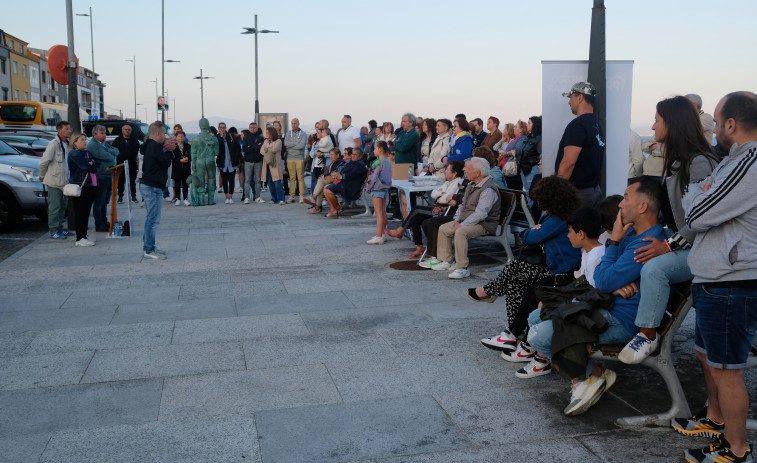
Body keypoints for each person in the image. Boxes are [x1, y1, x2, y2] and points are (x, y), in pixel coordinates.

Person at [526, 178, 667, 416]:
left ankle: (586, 378)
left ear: (642, 207)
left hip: (621, 320)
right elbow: (605, 279)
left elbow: (603, 279)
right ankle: (594, 372)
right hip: (607, 306)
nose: (620, 205)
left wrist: (613, 243)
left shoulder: (642, 243)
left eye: (626, 198)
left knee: (538, 336)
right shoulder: (632, 236)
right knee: (534, 317)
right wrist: (612, 281)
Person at [676, 91, 757, 463]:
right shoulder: (734, 161)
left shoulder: (747, 162)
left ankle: (736, 449)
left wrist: (702, 196)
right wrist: (703, 196)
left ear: (730, 124)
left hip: (731, 281)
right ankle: (717, 420)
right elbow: (702, 204)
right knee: (709, 357)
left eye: (717, 120)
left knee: (727, 371)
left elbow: (694, 214)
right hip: (718, 277)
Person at [616, 96, 718, 365]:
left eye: (657, 120)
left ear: (672, 124)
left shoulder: (698, 162)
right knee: (637, 253)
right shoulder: (677, 159)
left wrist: (669, 245)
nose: (652, 127)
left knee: (655, 268)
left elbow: (704, 216)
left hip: (703, 248)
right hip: (685, 242)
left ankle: (647, 334)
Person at [475, 176, 581, 356]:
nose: (539, 203)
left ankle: (509, 327)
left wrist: (528, 231)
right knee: (515, 280)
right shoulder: (559, 215)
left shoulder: (558, 219)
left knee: (518, 275)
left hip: (560, 271)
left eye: (541, 199)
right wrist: (532, 231)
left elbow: (532, 238)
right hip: (554, 267)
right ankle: (513, 334)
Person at [432, 157, 501, 279]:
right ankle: (446, 261)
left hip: (485, 224)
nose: (464, 169)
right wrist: (457, 220)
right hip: (470, 221)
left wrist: (463, 224)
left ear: (478, 173)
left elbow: (481, 214)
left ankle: (462, 268)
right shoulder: (471, 184)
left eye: (467, 168)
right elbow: (462, 205)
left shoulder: (488, 189)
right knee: (444, 228)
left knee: (461, 232)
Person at [386, 161, 465, 258]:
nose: (445, 171)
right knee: (415, 218)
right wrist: (442, 194)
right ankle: (419, 247)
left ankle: (400, 231)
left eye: (448, 169)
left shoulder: (457, 183)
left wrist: (442, 194)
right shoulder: (448, 182)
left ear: (455, 172)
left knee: (416, 209)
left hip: (444, 211)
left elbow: (447, 198)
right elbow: (433, 193)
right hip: (437, 207)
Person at [556, 81, 606, 208]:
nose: (569, 102)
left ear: (580, 97)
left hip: (578, 195)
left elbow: (568, 162)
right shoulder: (596, 124)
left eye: (571, 97)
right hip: (594, 192)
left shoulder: (578, 125)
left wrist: (557, 192)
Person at [140, 121, 176, 260]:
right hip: (152, 186)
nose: (165, 137)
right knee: (152, 219)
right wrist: (167, 150)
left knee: (153, 218)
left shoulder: (150, 145)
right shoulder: (154, 147)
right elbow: (166, 162)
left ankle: (150, 246)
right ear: (157, 133)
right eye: (163, 134)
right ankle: (148, 249)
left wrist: (165, 148)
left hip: (154, 185)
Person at [39, 121, 74, 239]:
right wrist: (42, 175)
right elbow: (44, 162)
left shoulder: (67, 143)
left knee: (63, 207)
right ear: (59, 130)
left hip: (65, 181)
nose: (69, 131)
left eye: (69, 129)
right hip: (54, 181)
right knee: (55, 207)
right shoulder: (54, 144)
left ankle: (60, 228)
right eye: (66, 129)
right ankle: (53, 231)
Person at [66, 133, 99, 246]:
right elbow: (86, 167)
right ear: (74, 142)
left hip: (90, 186)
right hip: (80, 186)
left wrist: (92, 163)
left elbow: (97, 162)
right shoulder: (74, 153)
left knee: (86, 213)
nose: (85, 142)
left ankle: (84, 235)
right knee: (80, 213)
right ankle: (80, 238)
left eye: (85, 139)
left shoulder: (86, 152)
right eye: (81, 140)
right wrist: (91, 164)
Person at [87, 124, 120, 233]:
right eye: (102, 133)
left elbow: (116, 151)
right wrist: (110, 153)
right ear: (95, 134)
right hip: (100, 176)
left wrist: (110, 152)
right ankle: (99, 223)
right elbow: (109, 157)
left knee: (105, 201)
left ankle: (104, 221)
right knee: (99, 202)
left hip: (108, 175)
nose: (104, 135)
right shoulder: (93, 144)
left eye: (105, 133)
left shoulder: (104, 144)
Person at [323, 147, 366, 218]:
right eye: (352, 154)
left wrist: (340, 176)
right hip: (345, 183)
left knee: (327, 191)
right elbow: (344, 172)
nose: (353, 156)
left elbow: (351, 175)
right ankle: (333, 209)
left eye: (355, 154)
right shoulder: (353, 162)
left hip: (350, 186)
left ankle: (337, 208)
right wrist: (337, 174)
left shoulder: (360, 165)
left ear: (360, 156)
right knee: (325, 190)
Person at [365, 140, 392, 244]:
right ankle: (382, 233)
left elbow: (373, 177)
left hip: (377, 189)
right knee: (383, 212)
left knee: (378, 213)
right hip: (385, 188)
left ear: (380, 149)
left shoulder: (377, 162)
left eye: (375, 148)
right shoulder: (387, 161)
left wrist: (368, 187)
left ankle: (379, 236)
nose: (374, 150)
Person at [303, 147, 344, 214]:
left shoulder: (338, 162)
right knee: (320, 186)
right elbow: (327, 172)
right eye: (330, 154)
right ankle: (317, 207)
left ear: (337, 155)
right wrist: (322, 176)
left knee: (320, 183)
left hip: (334, 181)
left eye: (332, 154)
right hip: (329, 180)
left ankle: (314, 200)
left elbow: (333, 173)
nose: (330, 156)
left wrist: (324, 176)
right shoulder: (333, 162)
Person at [113, 124, 140, 204]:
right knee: (121, 180)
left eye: (129, 130)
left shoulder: (135, 141)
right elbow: (114, 151)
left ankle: (133, 196)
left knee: (132, 181)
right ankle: (120, 197)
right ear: (122, 131)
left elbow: (137, 151)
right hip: (120, 164)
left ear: (131, 131)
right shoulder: (117, 140)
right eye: (126, 129)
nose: (127, 131)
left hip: (132, 164)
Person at [284, 118, 308, 203]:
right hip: (290, 158)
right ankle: (292, 196)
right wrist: (295, 143)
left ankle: (301, 196)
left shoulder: (303, 134)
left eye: (295, 123)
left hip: (299, 158)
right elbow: (286, 143)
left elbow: (301, 146)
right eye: (292, 123)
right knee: (292, 178)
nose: (293, 125)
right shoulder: (288, 133)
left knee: (300, 177)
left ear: (298, 124)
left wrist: (291, 146)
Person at [216, 122, 241, 204]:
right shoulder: (216, 137)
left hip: (232, 162)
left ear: (226, 128)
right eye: (221, 127)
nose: (222, 129)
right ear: (218, 128)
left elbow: (237, 148)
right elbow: (216, 149)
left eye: (224, 127)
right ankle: (226, 196)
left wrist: (237, 161)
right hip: (222, 162)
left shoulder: (231, 136)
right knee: (224, 180)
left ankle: (231, 196)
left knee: (231, 179)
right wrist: (220, 138)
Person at [242, 122, 265, 203]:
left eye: (254, 127)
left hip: (258, 161)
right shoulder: (246, 137)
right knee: (247, 180)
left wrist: (250, 146)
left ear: (257, 128)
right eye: (251, 127)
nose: (253, 129)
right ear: (249, 128)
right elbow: (244, 149)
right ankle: (246, 197)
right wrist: (255, 147)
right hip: (248, 162)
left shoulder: (260, 138)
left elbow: (260, 148)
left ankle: (257, 197)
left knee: (258, 180)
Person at [261, 127, 285, 205]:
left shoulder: (279, 141)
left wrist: (267, 149)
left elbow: (275, 149)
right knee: (270, 183)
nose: (267, 134)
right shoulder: (265, 141)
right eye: (266, 133)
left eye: (268, 133)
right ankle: (273, 198)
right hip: (267, 165)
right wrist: (268, 150)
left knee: (277, 182)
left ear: (272, 133)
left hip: (275, 164)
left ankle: (281, 199)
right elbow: (261, 150)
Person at [171, 130, 192, 206]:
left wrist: (187, 159)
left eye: (182, 136)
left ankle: (185, 198)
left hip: (186, 168)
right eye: (179, 136)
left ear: (184, 137)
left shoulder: (188, 146)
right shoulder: (173, 147)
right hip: (177, 168)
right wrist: (180, 160)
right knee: (177, 184)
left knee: (185, 184)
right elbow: (172, 157)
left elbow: (191, 156)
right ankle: (178, 198)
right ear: (176, 138)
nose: (180, 138)